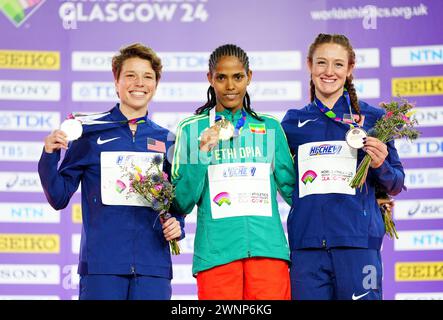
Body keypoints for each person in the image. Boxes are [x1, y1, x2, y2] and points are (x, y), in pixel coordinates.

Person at [38, 43, 184, 300]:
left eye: (147, 76)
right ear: (116, 81)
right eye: (130, 75)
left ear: (156, 85)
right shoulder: (89, 133)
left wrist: (177, 225)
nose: (139, 83)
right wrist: (50, 155)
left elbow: (176, 202)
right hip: (102, 269)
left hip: (153, 269)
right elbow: (59, 197)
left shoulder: (169, 139)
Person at [281, 33, 405, 300]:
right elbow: (281, 177)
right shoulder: (292, 122)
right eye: (321, 63)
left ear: (350, 69)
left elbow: (395, 183)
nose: (329, 72)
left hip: (359, 244)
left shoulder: (374, 118)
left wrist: (381, 164)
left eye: (338, 64)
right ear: (309, 65)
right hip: (307, 247)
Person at [171, 44, 296, 300]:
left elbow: (296, 192)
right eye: (221, 77)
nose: (230, 86)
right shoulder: (192, 129)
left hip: (268, 252)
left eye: (237, 77)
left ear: (249, 77)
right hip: (217, 256)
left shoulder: (269, 128)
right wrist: (202, 151)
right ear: (210, 79)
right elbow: (181, 201)